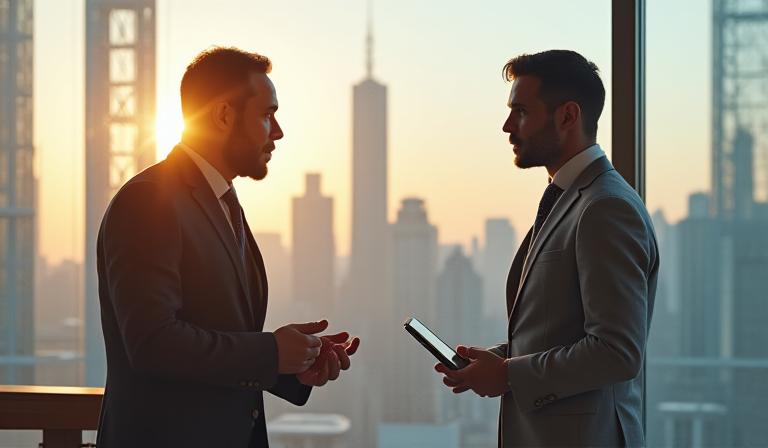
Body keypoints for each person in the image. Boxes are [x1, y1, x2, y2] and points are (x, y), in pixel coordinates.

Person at [95, 47, 359, 448]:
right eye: (267, 114)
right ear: (222, 115)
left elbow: (220, 335)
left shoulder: (221, 200)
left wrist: (293, 364)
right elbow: (153, 343)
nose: (278, 131)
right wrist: (271, 352)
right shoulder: (150, 201)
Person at [435, 50, 658, 447]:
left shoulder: (605, 207)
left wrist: (507, 375)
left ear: (567, 116)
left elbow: (616, 351)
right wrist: (501, 360)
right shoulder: (570, 198)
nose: (506, 126)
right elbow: (561, 330)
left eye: (520, 111)